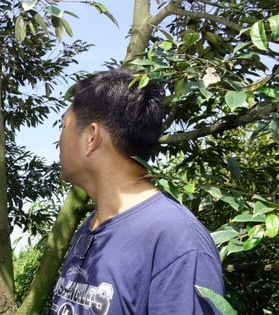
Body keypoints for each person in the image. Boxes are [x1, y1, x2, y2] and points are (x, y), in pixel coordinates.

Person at [51, 69, 224, 315]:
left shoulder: (176, 240)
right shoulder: (90, 227)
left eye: (64, 125)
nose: (60, 138)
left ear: (91, 137)